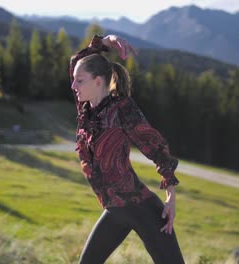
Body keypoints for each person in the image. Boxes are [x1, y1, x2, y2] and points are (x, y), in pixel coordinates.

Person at [69, 34, 185, 264]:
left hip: (142, 209)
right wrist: (108, 40)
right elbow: (78, 60)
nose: (73, 86)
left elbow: (155, 147)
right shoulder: (85, 109)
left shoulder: (122, 108)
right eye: (74, 80)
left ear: (98, 81)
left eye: (79, 81)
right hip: (115, 210)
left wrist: (170, 197)